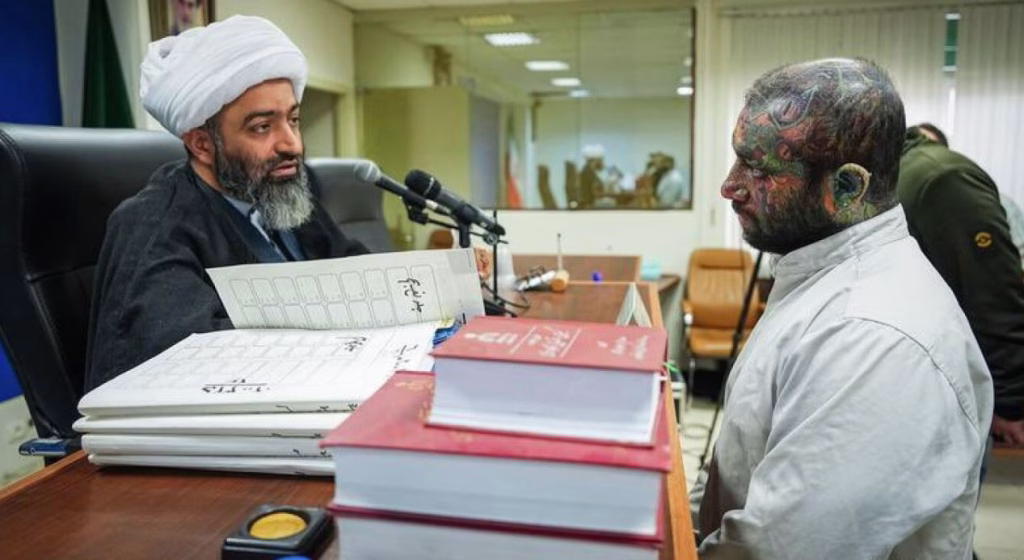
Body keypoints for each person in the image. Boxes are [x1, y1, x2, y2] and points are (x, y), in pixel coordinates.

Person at [700, 58, 992, 558]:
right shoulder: (815, 275)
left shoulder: (873, 336)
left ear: (847, 189)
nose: (730, 185)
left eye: (760, 168)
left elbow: (781, 549)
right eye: (738, 158)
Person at [85, 16, 370, 390]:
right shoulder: (151, 228)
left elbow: (357, 273)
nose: (292, 145)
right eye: (262, 127)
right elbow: (187, 362)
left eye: (294, 120)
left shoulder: (280, 193)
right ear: (202, 144)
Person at [898, 123, 1024, 446]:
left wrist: (1010, 399)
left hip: (947, 387)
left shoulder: (941, 179)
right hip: (924, 385)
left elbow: (992, 291)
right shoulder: (906, 176)